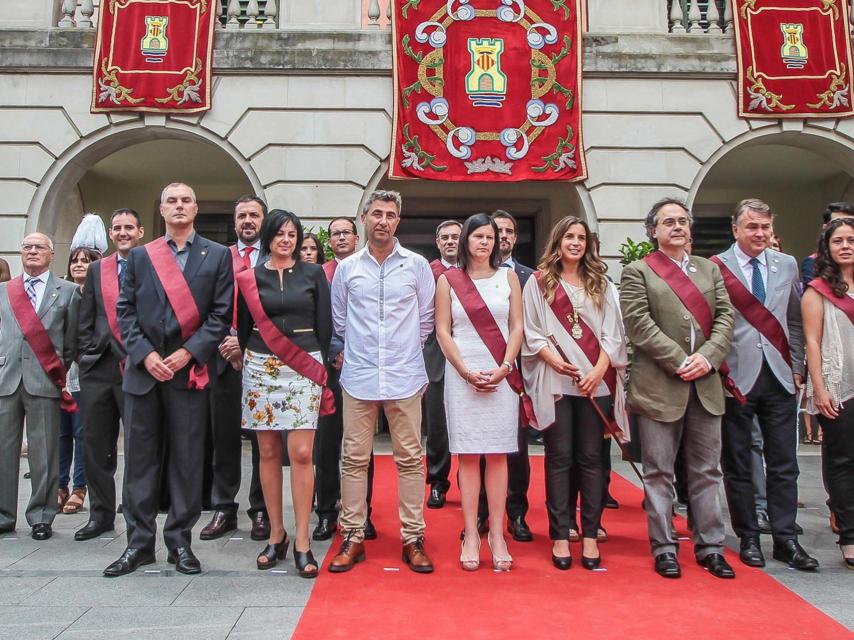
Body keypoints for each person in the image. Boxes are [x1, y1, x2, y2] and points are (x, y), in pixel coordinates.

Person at [104, 183, 232, 577]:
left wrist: (185, 354)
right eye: (172, 201)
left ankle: (180, 542)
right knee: (140, 463)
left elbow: (220, 314)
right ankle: (139, 544)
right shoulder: (142, 256)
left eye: (186, 201)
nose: (179, 206)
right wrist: (147, 356)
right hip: (145, 375)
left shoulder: (218, 255)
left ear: (196, 208)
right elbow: (124, 312)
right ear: (161, 210)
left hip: (188, 374)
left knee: (187, 462)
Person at [621, 198, 736, 580]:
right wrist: (679, 359)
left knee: (706, 471)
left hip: (705, 383)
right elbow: (638, 324)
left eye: (683, 221)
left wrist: (707, 357)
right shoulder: (639, 271)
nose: (678, 227)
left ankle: (711, 546)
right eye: (668, 222)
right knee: (658, 472)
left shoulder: (709, 269)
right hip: (659, 386)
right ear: (653, 230)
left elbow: (725, 318)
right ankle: (664, 546)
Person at [328, 190, 436, 573]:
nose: (383, 221)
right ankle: (353, 536)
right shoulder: (347, 269)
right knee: (353, 459)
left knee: (410, 459)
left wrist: (402, 351)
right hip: (358, 375)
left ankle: (413, 538)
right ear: (363, 218)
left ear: (398, 221)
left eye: (390, 214)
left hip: (405, 375)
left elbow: (426, 320)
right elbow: (338, 321)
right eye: (377, 213)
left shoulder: (417, 265)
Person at [713, 199, 818, 571]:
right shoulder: (717, 268)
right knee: (739, 461)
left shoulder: (786, 264)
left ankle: (786, 539)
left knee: (784, 461)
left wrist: (797, 366)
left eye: (765, 228)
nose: (759, 234)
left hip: (779, 374)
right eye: (752, 227)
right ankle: (749, 537)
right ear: (736, 229)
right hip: (736, 377)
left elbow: (793, 319)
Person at [522, 216, 628, 570]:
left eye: (582, 237)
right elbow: (532, 333)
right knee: (559, 457)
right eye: (569, 236)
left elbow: (614, 335)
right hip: (556, 381)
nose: (576, 242)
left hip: (594, 382)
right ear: (558, 240)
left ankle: (591, 532)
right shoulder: (539, 284)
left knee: (592, 458)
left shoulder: (603, 285)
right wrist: (553, 362)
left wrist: (598, 371)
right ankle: (560, 533)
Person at [236, 209, 332, 578]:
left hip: (304, 364)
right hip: (261, 365)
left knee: (302, 451)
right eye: (279, 233)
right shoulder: (249, 277)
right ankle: (276, 534)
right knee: (268, 451)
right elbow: (244, 328)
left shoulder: (313, 274)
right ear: (268, 237)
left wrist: (323, 372)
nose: (286, 240)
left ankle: (303, 539)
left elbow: (324, 323)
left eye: (292, 234)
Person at [435, 214, 522, 571]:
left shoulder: (509, 277)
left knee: (499, 454)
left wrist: (504, 367)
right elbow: (443, 331)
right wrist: (466, 371)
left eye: (491, 237)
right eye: (478, 236)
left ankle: (497, 533)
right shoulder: (449, 281)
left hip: (501, 373)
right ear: (466, 241)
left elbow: (518, 326)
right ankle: (471, 532)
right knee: (468, 455)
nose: (485, 242)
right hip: (463, 372)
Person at [0, 233, 80, 540]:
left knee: (44, 451)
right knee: (3, 450)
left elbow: (71, 339)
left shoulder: (69, 292)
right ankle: (4, 515)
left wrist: (57, 367)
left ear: (51, 254)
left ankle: (42, 515)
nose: (32, 252)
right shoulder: (5, 291)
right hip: (6, 378)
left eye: (39, 248)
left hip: (45, 379)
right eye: (27, 247)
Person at [201, 195, 270, 543]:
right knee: (224, 435)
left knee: (263, 439)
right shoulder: (217, 257)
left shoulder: (275, 258)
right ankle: (224, 506)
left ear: (264, 219)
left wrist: (245, 343)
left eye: (253, 215)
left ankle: (260, 508)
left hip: (262, 357)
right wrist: (226, 342)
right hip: (223, 357)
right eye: (241, 215)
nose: (247, 221)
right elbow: (205, 306)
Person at [75, 208, 144, 541]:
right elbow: (85, 315)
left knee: (136, 446)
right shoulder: (96, 270)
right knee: (96, 445)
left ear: (140, 231)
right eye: (117, 228)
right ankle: (100, 515)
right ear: (111, 234)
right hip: (98, 368)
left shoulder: (149, 264)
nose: (123, 232)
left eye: (129, 227)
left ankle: (133, 514)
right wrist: (84, 354)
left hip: (136, 366)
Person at [313, 216, 378, 541]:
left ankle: (361, 513)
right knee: (327, 444)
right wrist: (335, 351)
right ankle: (326, 512)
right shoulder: (318, 275)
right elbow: (317, 321)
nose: (340, 238)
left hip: (363, 367)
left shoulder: (367, 269)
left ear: (356, 237)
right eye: (334, 234)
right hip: (329, 371)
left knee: (362, 447)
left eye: (346, 233)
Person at [477, 209, 535, 542]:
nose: (504, 236)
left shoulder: (531, 277)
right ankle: (483, 512)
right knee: (479, 446)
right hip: (481, 371)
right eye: (497, 230)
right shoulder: (469, 275)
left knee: (516, 449)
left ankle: (517, 512)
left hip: (516, 374)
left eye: (510, 230)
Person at [802, 217, 854, 570]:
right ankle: (849, 534)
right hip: (840, 387)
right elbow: (812, 341)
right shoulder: (817, 289)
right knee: (841, 461)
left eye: (852, 239)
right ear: (828, 248)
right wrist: (819, 388)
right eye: (838, 241)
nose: (846, 246)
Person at [58, 215, 106, 516]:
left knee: (81, 432)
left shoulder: (99, 293)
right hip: (56, 371)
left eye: (86, 260)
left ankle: (79, 486)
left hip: (83, 372)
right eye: (75, 260)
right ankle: (58, 485)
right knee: (60, 433)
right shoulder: (60, 292)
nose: (79, 264)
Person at [424, 220, 462, 509]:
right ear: (437, 243)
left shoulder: (475, 271)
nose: (450, 241)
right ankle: (437, 482)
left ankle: (471, 480)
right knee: (437, 424)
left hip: (472, 351)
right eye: (445, 237)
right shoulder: (427, 272)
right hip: (437, 354)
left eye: (455, 237)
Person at [801, 202, 854, 285]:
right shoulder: (813, 262)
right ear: (825, 228)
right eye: (838, 223)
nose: (845, 226)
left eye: (850, 222)